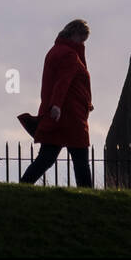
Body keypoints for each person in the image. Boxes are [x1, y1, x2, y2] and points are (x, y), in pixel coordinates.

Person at [19, 19, 94, 187]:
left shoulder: (55, 51)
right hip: (70, 114)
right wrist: (57, 105)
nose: (83, 42)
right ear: (75, 33)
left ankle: (23, 185)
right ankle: (88, 194)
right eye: (82, 37)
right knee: (80, 158)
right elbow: (63, 82)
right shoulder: (69, 54)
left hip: (58, 114)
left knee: (46, 157)